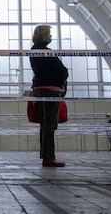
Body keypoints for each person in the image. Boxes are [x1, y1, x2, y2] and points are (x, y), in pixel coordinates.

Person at [29, 24, 68, 167]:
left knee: (44, 124)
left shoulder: (32, 51)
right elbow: (62, 71)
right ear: (44, 35)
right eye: (49, 33)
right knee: (50, 124)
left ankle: (45, 155)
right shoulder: (47, 52)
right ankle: (49, 157)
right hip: (51, 90)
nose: (51, 36)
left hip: (38, 89)